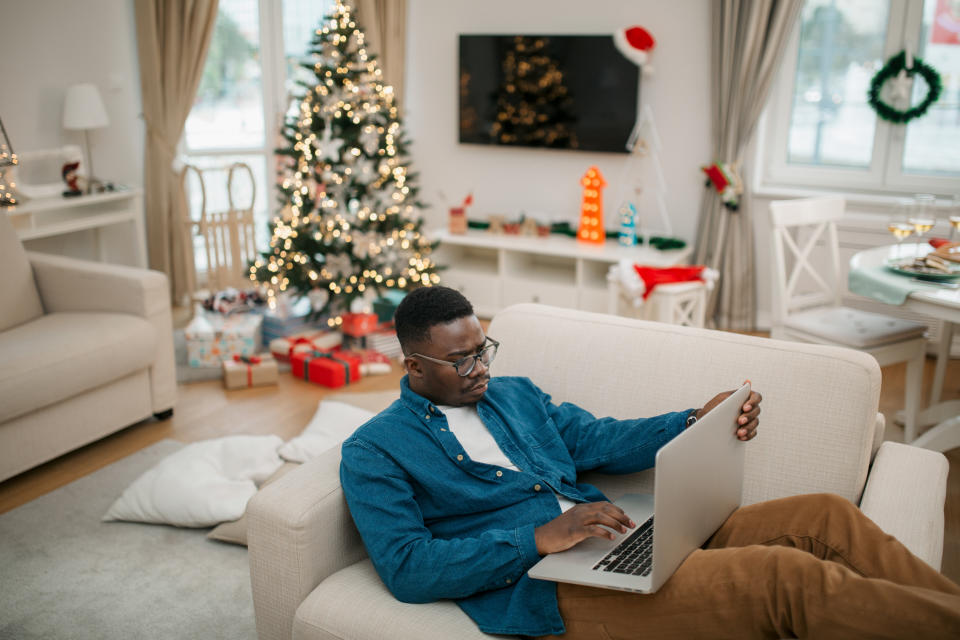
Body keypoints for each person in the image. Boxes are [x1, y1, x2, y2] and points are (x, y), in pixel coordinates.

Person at [340, 286, 960, 639]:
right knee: (783, 580)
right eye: (462, 361)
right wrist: (538, 538)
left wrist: (695, 420)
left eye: (484, 349)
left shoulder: (514, 394)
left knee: (825, 517)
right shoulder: (374, 451)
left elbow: (601, 438)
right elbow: (407, 568)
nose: (481, 370)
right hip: (548, 590)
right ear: (414, 366)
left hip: (624, 535)